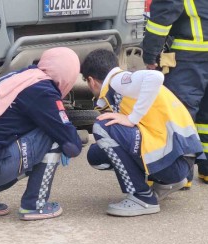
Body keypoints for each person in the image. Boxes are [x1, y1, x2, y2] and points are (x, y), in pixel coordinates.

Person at [0, 47, 82, 221]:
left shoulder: (21, 77)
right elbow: (72, 146)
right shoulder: (42, 91)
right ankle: (35, 205)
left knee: (35, 131)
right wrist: (67, 139)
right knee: (54, 137)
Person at [82, 49, 204, 217]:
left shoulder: (118, 80)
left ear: (90, 81)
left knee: (102, 126)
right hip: (180, 161)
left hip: (174, 163)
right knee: (96, 153)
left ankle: (142, 197)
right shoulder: (124, 86)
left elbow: (156, 77)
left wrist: (132, 119)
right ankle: (166, 183)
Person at [142, 0, 208, 189]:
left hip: (189, 55)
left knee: (180, 114)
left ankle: (180, 174)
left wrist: (150, 53)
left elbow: (163, 15)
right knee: (206, 116)